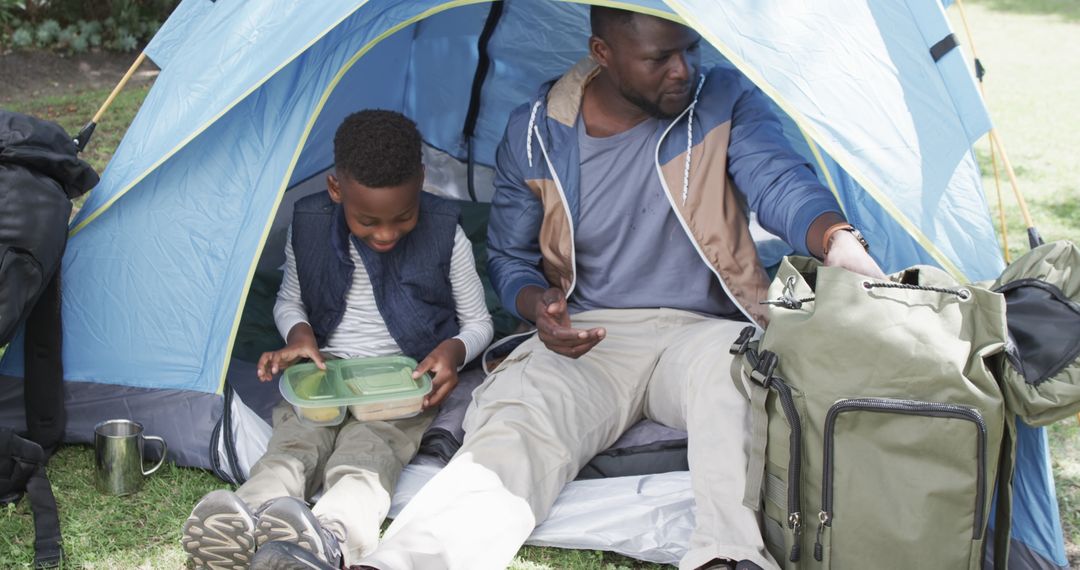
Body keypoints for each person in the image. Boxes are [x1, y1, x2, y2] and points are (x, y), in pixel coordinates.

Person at [353, 8, 885, 570]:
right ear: (602, 54)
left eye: (690, 49)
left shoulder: (723, 101)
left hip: (704, 330)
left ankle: (728, 556)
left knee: (732, 387)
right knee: (520, 419)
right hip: (590, 334)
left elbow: (778, 179)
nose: (682, 70)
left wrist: (835, 238)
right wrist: (540, 308)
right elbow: (510, 260)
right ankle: (407, 561)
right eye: (659, 58)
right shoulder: (536, 131)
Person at [180, 110, 494, 570]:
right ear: (335, 190)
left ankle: (330, 539)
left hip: (399, 386)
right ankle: (244, 519)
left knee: (368, 457)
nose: (385, 233)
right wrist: (300, 334)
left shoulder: (448, 235)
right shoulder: (308, 228)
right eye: (367, 221)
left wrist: (454, 350)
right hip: (325, 375)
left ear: (422, 183)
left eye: (403, 217)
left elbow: (479, 322)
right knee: (293, 446)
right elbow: (289, 301)